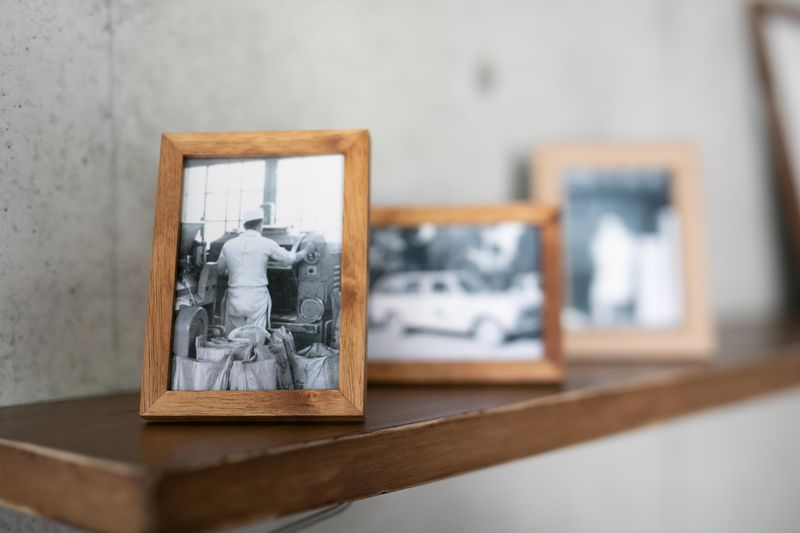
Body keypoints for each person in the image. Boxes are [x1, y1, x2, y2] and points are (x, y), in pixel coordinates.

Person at [216, 209, 309, 333]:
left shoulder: (229, 244)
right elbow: (289, 259)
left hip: (235, 296)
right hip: (256, 298)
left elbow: (220, 270)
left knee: (233, 335)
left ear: (245, 225)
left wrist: (237, 272)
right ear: (260, 225)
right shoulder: (266, 243)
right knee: (256, 336)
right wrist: (306, 251)